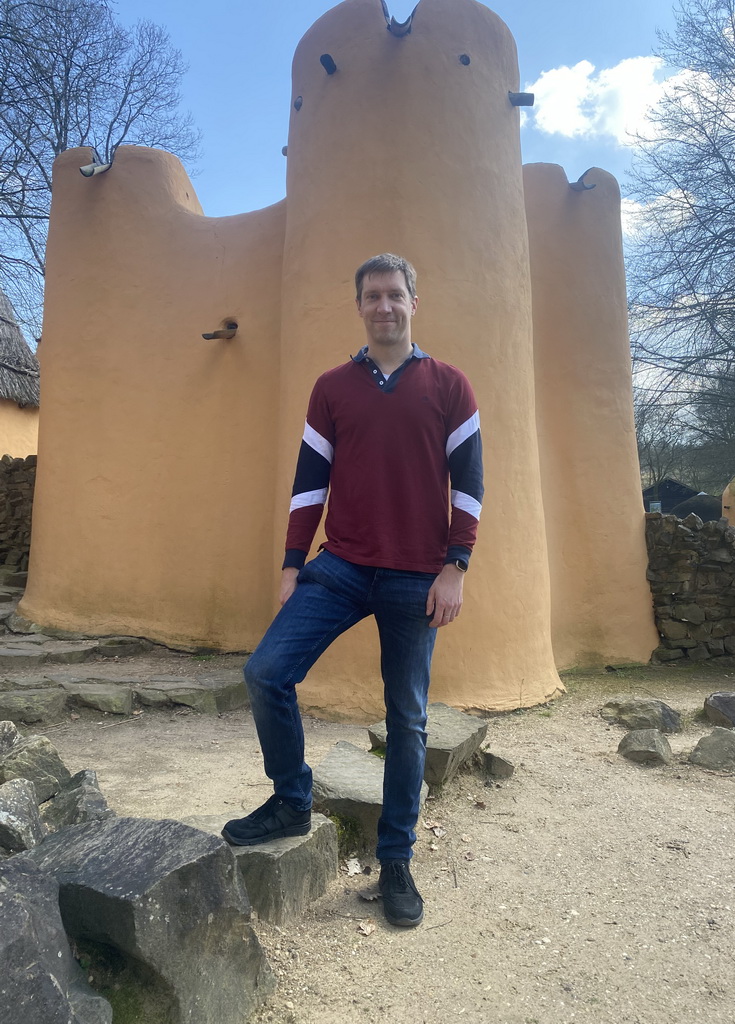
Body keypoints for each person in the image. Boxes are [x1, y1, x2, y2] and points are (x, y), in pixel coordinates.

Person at [222, 253, 483, 928]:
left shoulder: (450, 386)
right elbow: (309, 482)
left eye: (395, 295)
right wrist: (290, 565)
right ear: (360, 305)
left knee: (408, 718)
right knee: (267, 672)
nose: (384, 306)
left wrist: (456, 565)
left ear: (413, 303)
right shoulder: (332, 388)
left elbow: (472, 484)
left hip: (418, 574)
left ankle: (395, 860)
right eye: (373, 296)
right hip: (340, 564)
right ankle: (291, 799)